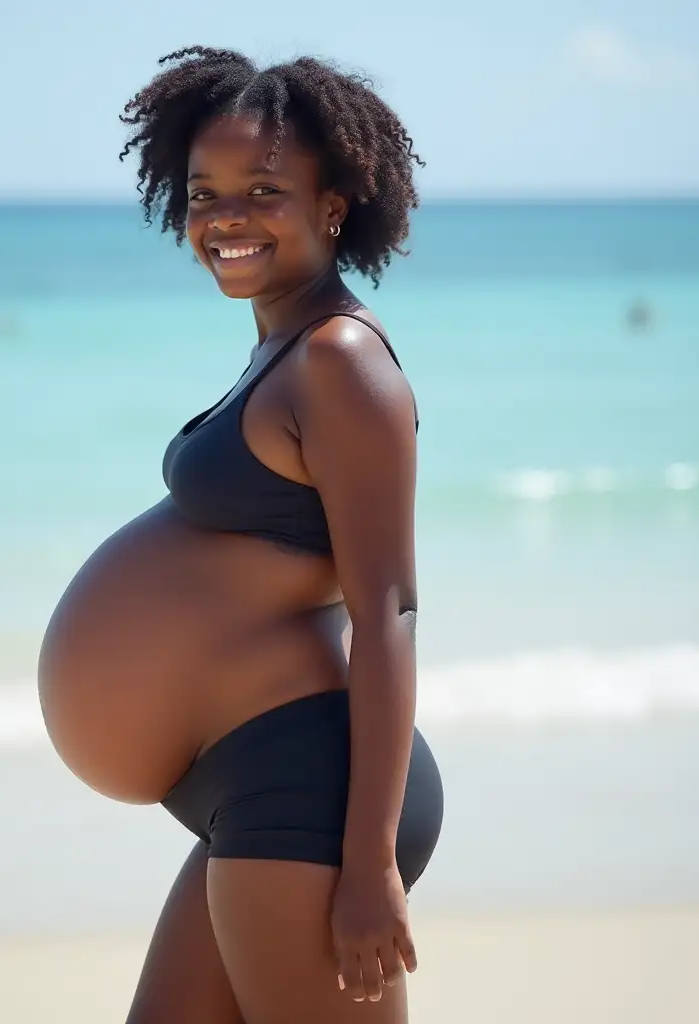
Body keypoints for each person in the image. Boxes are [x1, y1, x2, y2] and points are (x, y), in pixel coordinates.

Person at [38, 46, 444, 1024]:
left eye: (264, 190)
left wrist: (367, 866)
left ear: (332, 203)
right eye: (203, 192)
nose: (225, 217)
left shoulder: (340, 359)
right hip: (252, 786)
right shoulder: (279, 346)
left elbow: (386, 609)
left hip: (308, 800)